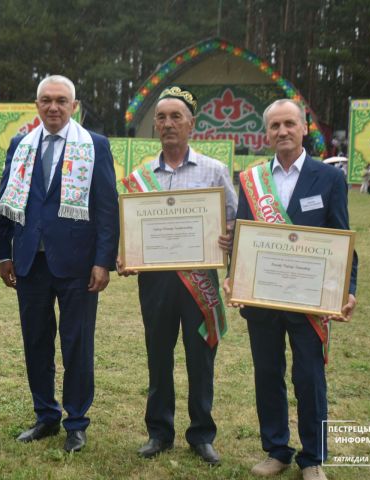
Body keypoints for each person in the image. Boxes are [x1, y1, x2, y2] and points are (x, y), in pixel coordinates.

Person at [223, 99, 357, 480]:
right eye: (274, 126)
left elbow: (342, 237)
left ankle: (312, 458)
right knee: (267, 373)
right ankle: (277, 449)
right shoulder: (251, 179)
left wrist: (347, 288)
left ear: (304, 129)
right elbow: (245, 236)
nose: (282, 131)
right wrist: (235, 276)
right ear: (266, 133)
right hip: (261, 296)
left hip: (310, 299)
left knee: (309, 378)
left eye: (289, 124)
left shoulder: (328, 178)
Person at [0, 75, 119, 453]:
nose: (53, 107)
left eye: (61, 101)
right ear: (36, 105)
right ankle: (45, 415)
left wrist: (102, 261)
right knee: (36, 342)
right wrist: (4, 253)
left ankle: (76, 422)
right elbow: (5, 203)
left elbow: (106, 208)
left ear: (74, 106)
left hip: (77, 265)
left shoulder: (95, 146)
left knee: (76, 345)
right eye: (46, 100)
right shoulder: (20, 145)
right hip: (30, 262)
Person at [117, 86, 237, 465]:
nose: (168, 124)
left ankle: (201, 435)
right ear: (155, 125)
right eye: (162, 118)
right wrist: (126, 254)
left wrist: (230, 236)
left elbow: (234, 221)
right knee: (158, 356)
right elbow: (130, 230)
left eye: (176, 117)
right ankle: (159, 432)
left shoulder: (214, 170)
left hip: (199, 280)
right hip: (155, 283)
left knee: (201, 358)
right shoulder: (140, 176)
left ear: (191, 125)